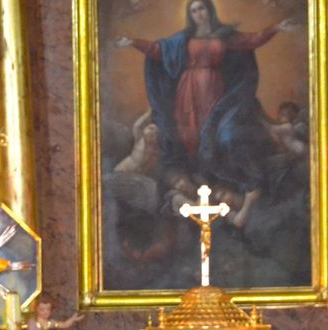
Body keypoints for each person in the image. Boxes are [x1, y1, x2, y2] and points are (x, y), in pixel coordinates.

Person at [117, 0, 293, 189]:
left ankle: (217, 175)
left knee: (212, 128)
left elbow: (252, 40)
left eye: (201, 8)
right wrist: (133, 42)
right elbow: (157, 50)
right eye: (194, 11)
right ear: (190, 15)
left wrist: (276, 28)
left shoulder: (224, 36)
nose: (198, 14)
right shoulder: (183, 39)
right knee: (190, 131)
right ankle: (198, 175)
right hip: (188, 90)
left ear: (209, 10)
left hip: (214, 87)